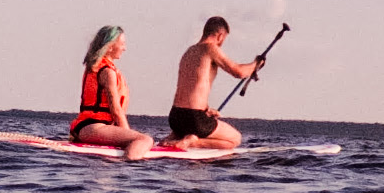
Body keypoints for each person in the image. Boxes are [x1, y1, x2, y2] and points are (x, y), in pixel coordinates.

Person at [164, 13, 261, 150]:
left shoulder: (189, 51)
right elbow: (238, 72)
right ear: (220, 35)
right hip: (194, 119)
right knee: (235, 139)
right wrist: (255, 64)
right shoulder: (211, 48)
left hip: (175, 117)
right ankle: (192, 141)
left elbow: (193, 87)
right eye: (224, 39)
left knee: (194, 125)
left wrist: (207, 110)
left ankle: (174, 137)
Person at [68, 23, 155, 155]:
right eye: (122, 44)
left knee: (138, 138)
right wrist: (128, 135)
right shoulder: (107, 72)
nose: (124, 48)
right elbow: (116, 110)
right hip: (94, 127)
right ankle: (129, 166)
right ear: (110, 46)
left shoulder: (95, 67)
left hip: (84, 127)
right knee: (145, 139)